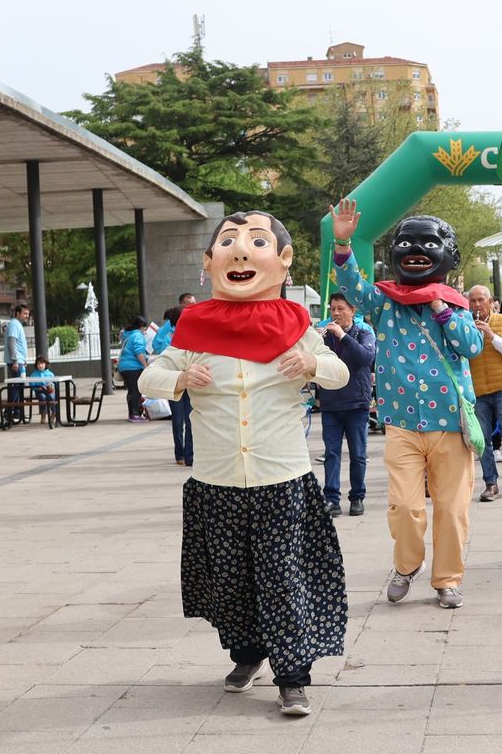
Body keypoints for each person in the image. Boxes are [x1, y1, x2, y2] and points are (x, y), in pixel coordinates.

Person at [140, 211, 349, 717]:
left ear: (282, 261)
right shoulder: (193, 330)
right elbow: (149, 380)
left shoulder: (296, 326)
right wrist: (180, 379)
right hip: (217, 479)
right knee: (232, 581)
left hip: (280, 476)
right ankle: (247, 653)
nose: (239, 251)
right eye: (227, 241)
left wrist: (312, 364)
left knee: (282, 576)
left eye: (256, 241)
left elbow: (340, 373)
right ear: (208, 261)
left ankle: (293, 675)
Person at [332, 198, 483, 610]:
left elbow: (471, 346)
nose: (415, 251)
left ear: (449, 256)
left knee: (451, 510)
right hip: (401, 423)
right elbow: (352, 290)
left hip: (450, 425)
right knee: (405, 507)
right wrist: (342, 245)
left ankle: (448, 580)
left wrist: (442, 311)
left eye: (428, 243)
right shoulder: (384, 303)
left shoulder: (456, 304)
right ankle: (406, 565)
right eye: (405, 243)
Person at [318, 292, 375, 517]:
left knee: (358, 453)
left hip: (357, 403)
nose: (336, 313)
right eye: (333, 309)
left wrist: (343, 336)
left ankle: (357, 497)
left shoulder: (363, 332)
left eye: (341, 308)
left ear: (352, 311)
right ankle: (332, 499)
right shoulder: (325, 336)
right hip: (331, 403)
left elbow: (365, 359)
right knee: (331, 453)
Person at [466, 285, 502, 502]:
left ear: (490, 302)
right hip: (477, 391)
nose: (477, 305)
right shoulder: (465, 324)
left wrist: (491, 337)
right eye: (473, 300)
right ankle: (490, 483)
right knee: (483, 440)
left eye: (481, 300)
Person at [153, 306, 194, 466]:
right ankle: (183, 455)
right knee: (182, 420)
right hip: (176, 381)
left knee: (185, 420)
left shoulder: (189, 332)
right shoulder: (168, 335)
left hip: (185, 381)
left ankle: (186, 455)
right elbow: (163, 354)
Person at [2, 304, 30, 425]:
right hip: (16, 362)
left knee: (19, 387)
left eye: (28, 314)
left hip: (19, 361)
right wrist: (15, 360)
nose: (27, 316)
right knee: (15, 386)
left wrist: (23, 360)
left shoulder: (18, 325)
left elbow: (19, 345)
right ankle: (10, 411)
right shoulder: (14, 324)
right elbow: (11, 343)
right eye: (25, 313)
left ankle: (18, 411)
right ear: (18, 313)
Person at [118, 317, 149, 419]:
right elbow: (138, 352)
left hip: (125, 367)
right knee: (135, 391)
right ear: (141, 327)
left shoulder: (130, 335)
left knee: (132, 390)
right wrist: (146, 366)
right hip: (133, 367)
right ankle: (134, 414)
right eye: (145, 328)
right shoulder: (137, 336)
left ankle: (133, 413)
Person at [30, 356, 59, 424]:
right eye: (38, 364)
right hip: (39, 391)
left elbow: (54, 383)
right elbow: (32, 384)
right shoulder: (33, 374)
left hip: (49, 391)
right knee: (43, 397)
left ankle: (54, 413)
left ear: (46, 364)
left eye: (42, 364)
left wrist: (50, 386)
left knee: (51, 397)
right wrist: (37, 388)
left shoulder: (50, 374)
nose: (40, 365)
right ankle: (43, 415)